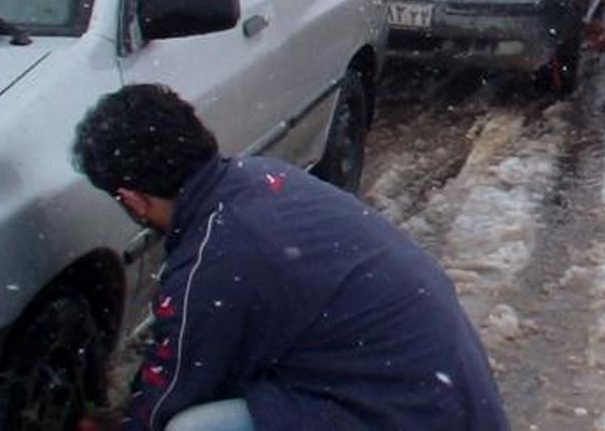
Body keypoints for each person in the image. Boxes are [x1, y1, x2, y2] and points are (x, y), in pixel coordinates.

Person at [72, 83, 509, 431]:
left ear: (132, 199)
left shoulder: (217, 257)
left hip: (403, 414)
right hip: (443, 398)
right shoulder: (260, 177)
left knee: (193, 427)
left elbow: (175, 389)